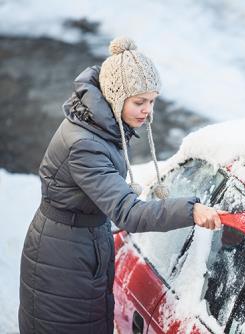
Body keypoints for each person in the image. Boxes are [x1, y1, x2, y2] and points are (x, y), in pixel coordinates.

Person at [18, 36, 222, 334]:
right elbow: (128, 213)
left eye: (152, 101)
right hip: (63, 262)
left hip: (78, 245)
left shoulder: (97, 126)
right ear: (115, 97)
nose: (148, 111)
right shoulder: (86, 145)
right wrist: (189, 210)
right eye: (140, 102)